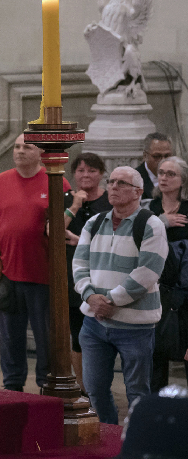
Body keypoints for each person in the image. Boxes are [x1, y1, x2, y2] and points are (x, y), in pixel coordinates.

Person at [72, 165, 168, 424]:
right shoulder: (94, 222)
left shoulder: (151, 224)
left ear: (138, 192)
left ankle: (138, 443)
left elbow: (147, 273)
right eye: (112, 181)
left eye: (121, 183)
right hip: (94, 323)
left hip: (134, 326)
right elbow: (79, 264)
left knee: (137, 392)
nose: (113, 186)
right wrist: (91, 297)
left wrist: (110, 301)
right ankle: (107, 438)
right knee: (95, 390)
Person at [0, 133, 70, 391]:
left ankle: (46, 386)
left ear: (40, 152)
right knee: (10, 338)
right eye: (16, 146)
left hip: (44, 276)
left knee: (46, 340)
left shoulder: (57, 182)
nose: (19, 151)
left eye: (26, 147)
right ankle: (13, 386)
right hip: (7, 273)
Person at [63, 152, 111, 390]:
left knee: (105, 334)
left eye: (91, 170)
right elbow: (53, 230)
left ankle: (101, 385)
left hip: (105, 274)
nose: (85, 175)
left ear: (101, 174)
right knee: (78, 334)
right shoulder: (65, 199)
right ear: (74, 174)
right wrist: (74, 206)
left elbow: (114, 238)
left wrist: (80, 240)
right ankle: (83, 388)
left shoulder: (110, 201)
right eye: (80, 170)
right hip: (75, 278)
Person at [151, 156, 188, 391]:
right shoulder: (150, 208)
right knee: (156, 355)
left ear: (183, 180)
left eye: (170, 174)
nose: (163, 177)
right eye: (161, 173)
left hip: (184, 290)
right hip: (155, 288)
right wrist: (162, 221)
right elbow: (137, 237)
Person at [138, 133, 174, 201]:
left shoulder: (180, 178)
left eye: (167, 156)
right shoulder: (132, 180)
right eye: (157, 156)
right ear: (145, 156)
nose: (163, 161)